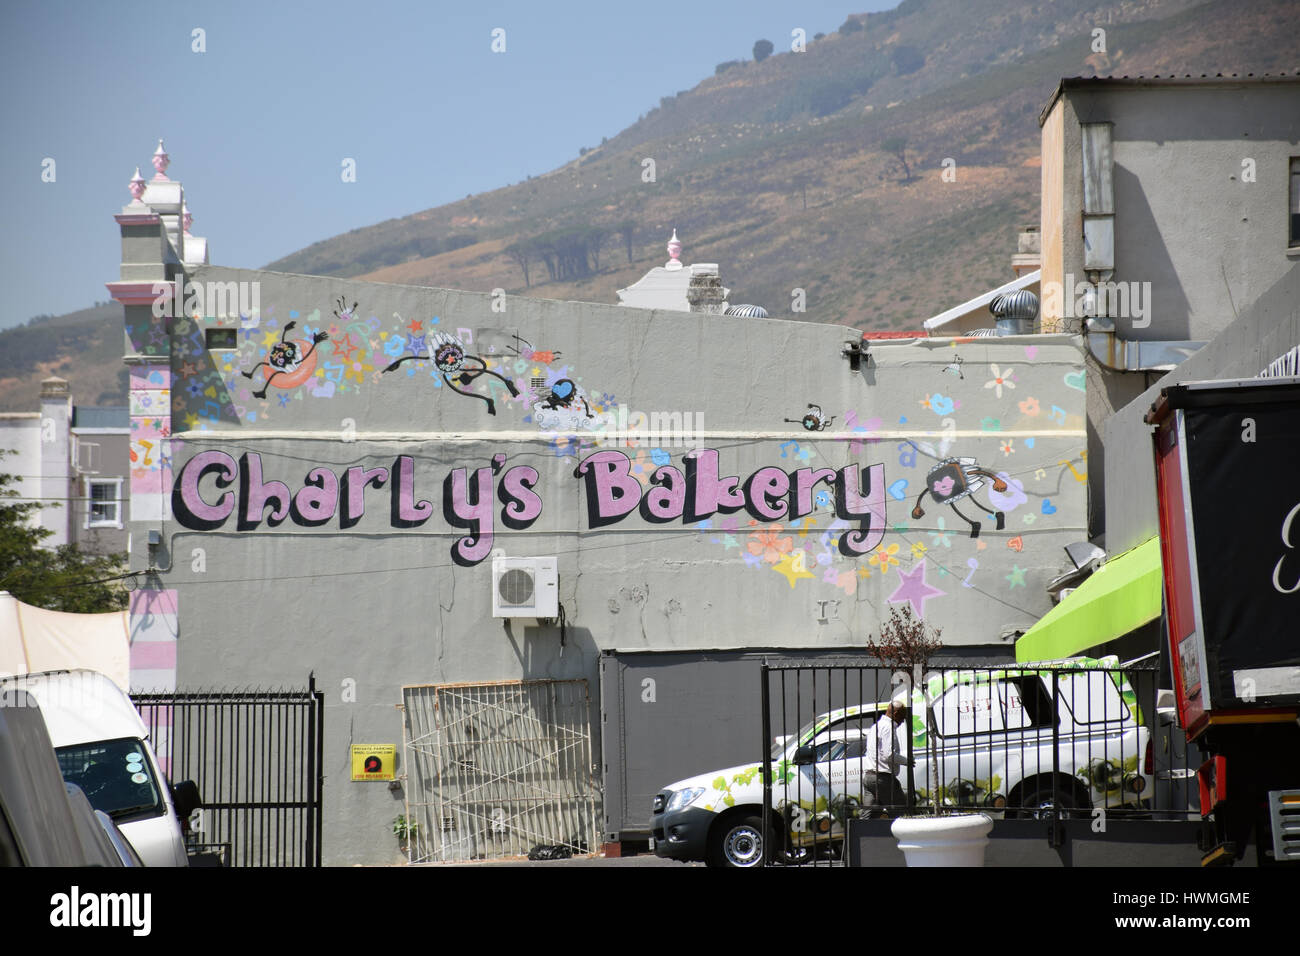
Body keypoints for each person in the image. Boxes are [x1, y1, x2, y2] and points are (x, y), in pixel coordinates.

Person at [860, 701, 910, 813]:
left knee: (869, 816)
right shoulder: (888, 728)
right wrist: (907, 761)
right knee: (901, 812)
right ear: (895, 714)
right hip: (883, 779)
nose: (903, 721)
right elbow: (889, 754)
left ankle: (862, 830)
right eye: (902, 716)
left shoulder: (875, 727)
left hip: (869, 777)